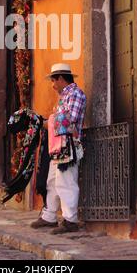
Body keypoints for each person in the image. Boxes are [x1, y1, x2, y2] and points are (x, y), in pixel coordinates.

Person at [31, 63, 86, 234]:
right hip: (59, 145)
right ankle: (50, 216)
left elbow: (71, 121)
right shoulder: (65, 96)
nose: (52, 85)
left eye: (53, 81)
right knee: (53, 181)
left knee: (66, 182)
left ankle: (70, 220)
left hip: (68, 145)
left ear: (61, 79)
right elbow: (62, 119)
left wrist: (49, 122)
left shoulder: (75, 94)